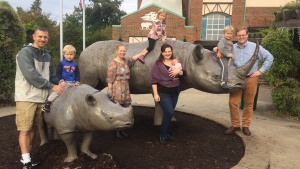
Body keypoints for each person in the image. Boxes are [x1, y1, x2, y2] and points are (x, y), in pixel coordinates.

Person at [15, 27, 64, 169]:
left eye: (45, 37)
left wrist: (60, 83)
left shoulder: (47, 56)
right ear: (33, 37)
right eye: (40, 37)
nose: (43, 39)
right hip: (26, 97)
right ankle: (26, 162)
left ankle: (27, 157)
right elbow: (31, 76)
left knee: (33, 129)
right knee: (25, 129)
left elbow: (52, 76)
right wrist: (51, 86)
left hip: (40, 98)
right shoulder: (25, 53)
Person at [225, 27, 274, 136]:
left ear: (247, 35)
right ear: (236, 36)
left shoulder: (255, 47)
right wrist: (215, 49)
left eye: (243, 35)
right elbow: (221, 54)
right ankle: (235, 125)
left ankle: (246, 126)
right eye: (239, 35)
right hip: (236, 79)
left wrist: (260, 71)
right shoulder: (232, 48)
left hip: (251, 78)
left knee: (249, 103)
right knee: (233, 102)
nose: (241, 37)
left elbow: (269, 57)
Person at [106, 44, 144, 138]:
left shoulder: (126, 61)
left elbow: (133, 58)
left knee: (125, 109)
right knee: (117, 110)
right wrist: (110, 91)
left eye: (124, 51)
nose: (122, 52)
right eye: (121, 51)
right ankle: (116, 131)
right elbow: (110, 79)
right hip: (117, 88)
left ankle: (122, 130)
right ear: (116, 51)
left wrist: (142, 53)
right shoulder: (113, 64)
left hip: (126, 88)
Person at [150, 44, 184, 144]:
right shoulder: (158, 64)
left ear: (171, 52)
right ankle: (162, 135)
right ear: (162, 53)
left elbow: (182, 73)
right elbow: (154, 81)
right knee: (169, 112)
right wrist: (156, 94)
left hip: (175, 92)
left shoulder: (175, 62)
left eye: (169, 51)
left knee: (168, 114)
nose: (168, 53)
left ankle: (166, 134)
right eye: (165, 52)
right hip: (163, 92)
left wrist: (179, 70)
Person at [42, 45, 80, 113]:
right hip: (64, 82)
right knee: (57, 92)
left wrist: (77, 81)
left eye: (71, 54)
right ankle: (48, 103)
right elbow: (58, 73)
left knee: (75, 95)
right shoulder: (62, 63)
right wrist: (61, 80)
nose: (69, 56)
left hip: (73, 83)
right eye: (67, 54)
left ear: (74, 55)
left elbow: (77, 74)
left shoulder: (75, 64)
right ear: (64, 54)